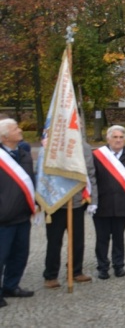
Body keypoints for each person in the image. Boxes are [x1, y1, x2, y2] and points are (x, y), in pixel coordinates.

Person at [43, 141, 97, 288]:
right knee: (54, 241)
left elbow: (90, 174)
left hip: (77, 201)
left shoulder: (84, 147)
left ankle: (75, 271)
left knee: (78, 240)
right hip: (56, 203)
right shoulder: (53, 143)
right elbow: (43, 173)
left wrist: (93, 199)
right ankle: (51, 275)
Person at [91, 125, 125, 279]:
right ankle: (103, 267)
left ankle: (119, 265)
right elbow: (92, 180)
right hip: (102, 205)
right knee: (102, 238)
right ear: (108, 138)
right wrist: (92, 201)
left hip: (122, 204)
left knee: (119, 237)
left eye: (121, 137)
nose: (118, 140)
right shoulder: (97, 156)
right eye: (115, 137)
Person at [0, 119, 35, 307]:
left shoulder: (23, 153)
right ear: (5, 136)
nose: (20, 130)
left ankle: (11, 286)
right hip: (3, 218)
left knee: (20, 254)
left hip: (22, 215)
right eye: (15, 129)